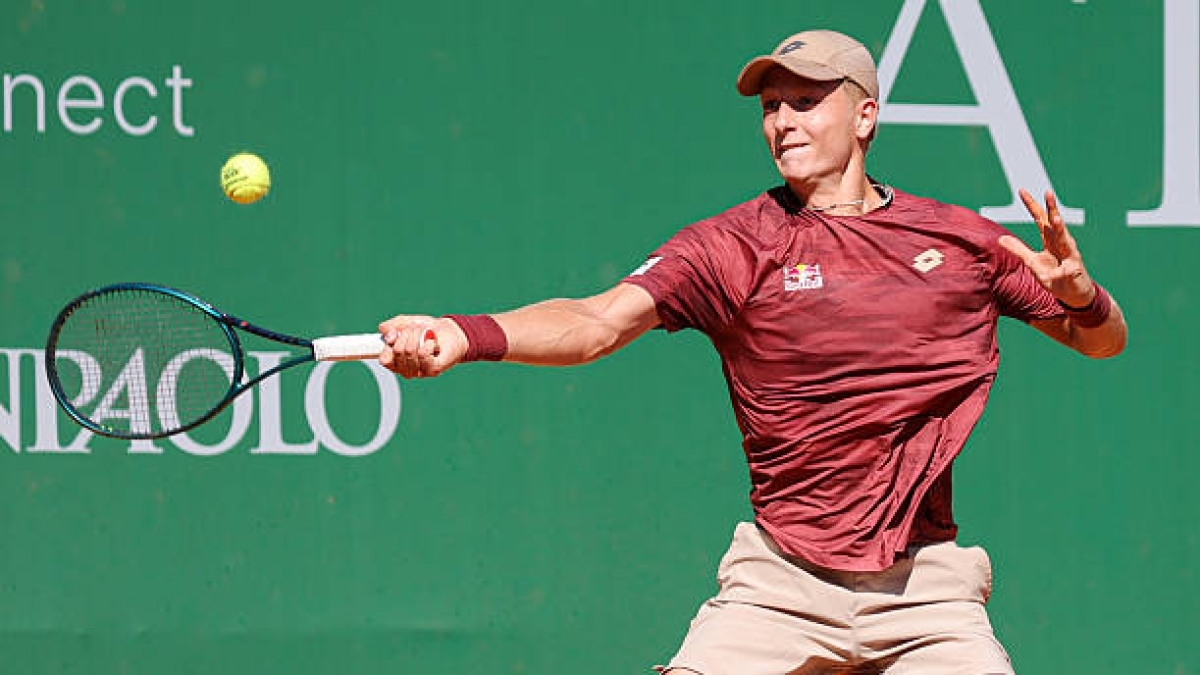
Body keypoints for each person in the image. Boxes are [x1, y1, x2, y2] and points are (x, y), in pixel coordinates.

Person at [377, 29, 1127, 675]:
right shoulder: (733, 245)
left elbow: (1099, 341)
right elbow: (597, 320)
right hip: (781, 578)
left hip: (922, 585)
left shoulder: (959, 241)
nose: (783, 121)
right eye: (772, 107)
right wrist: (463, 333)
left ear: (865, 115)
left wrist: (1082, 294)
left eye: (805, 102)